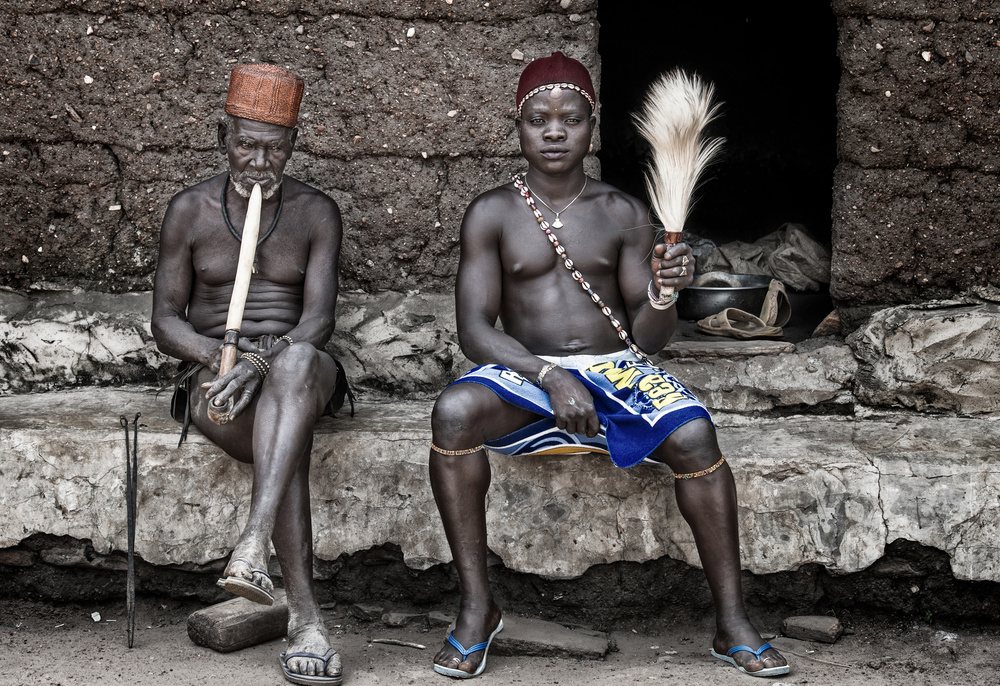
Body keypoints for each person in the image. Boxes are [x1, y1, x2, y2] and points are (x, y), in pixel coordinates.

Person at [428, 52, 789, 679]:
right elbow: (474, 331)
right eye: (538, 120)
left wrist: (664, 292)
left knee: (696, 434)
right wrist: (549, 375)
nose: (553, 132)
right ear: (518, 128)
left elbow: (649, 341)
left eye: (569, 119)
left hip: (615, 368)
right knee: (453, 413)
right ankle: (478, 608)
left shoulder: (622, 214)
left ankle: (731, 620)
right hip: (527, 372)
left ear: (591, 127)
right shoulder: (492, 213)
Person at [151, 63, 350, 685]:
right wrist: (221, 359)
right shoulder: (189, 210)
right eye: (247, 144)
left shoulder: (317, 212)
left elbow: (317, 320)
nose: (260, 161)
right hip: (219, 374)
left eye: (276, 147)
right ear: (222, 137)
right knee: (280, 441)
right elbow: (164, 322)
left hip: (299, 363)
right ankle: (307, 619)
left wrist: (267, 357)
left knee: (291, 369)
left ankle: (254, 540)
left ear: (294, 147)